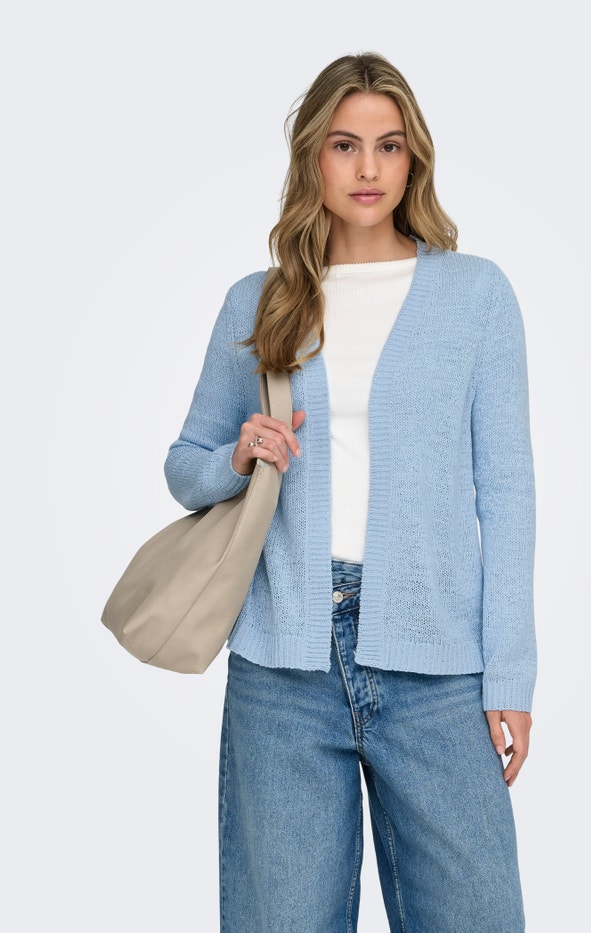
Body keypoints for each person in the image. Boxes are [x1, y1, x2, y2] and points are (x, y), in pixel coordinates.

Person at [164, 51, 536, 933]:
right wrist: (238, 456)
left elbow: (508, 492)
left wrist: (511, 671)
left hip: (438, 664)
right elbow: (185, 464)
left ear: (413, 159)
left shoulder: (476, 295)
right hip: (283, 666)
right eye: (344, 145)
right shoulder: (261, 302)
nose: (368, 168)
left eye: (388, 145)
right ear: (313, 158)